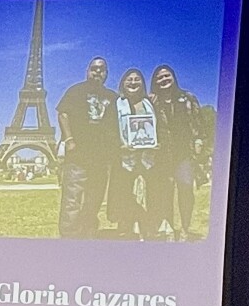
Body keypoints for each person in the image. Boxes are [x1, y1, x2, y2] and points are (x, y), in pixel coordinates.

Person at [56, 57, 118, 238]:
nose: (97, 72)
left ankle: (88, 230)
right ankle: (69, 235)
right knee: (72, 199)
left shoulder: (113, 97)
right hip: (78, 155)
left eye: (102, 69)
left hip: (101, 157)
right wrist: (69, 140)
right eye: (94, 68)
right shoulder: (75, 91)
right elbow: (63, 114)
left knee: (95, 198)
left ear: (106, 74)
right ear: (87, 71)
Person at [150, 64, 203, 242]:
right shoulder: (152, 101)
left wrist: (199, 140)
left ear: (173, 77)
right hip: (161, 154)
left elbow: (198, 122)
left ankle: (185, 228)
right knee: (164, 191)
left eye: (167, 76)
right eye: (159, 77)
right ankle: (169, 228)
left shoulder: (187, 98)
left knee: (186, 187)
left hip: (184, 153)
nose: (163, 79)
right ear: (155, 81)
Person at [107, 68, 158, 240]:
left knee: (147, 195)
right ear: (122, 83)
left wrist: (157, 143)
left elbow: (159, 127)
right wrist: (119, 146)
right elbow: (107, 131)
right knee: (123, 195)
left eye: (137, 79)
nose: (133, 82)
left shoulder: (150, 104)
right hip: (124, 159)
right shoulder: (115, 104)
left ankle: (145, 229)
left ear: (142, 84)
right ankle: (125, 230)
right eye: (129, 79)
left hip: (147, 159)